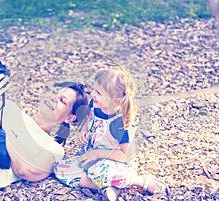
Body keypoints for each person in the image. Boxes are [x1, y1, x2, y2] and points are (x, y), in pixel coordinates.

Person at [54, 67, 170, 201]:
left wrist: (99, 154)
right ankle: (108, 187)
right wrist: (83, 130)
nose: (93, 94)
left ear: (115, 101)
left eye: (99, 93)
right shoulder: (94, 104)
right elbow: (88, 118)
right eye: (94, 89)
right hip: (92, 156)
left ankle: (140, 181)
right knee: (61, 168)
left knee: (98, 171)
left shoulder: (117, 124)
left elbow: (127, 156)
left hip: (114, 162)